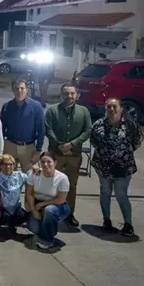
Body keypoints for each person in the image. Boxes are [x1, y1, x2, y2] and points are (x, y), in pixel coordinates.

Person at [90, 97, 143, 237]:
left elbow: (137, 141)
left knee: (121, 193)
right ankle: (106, 220)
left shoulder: (130, 125)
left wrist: (122, 154)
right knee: (105, 191)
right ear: (105, 109)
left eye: (115, 107)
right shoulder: (98, 124)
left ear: (121, 109)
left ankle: (128, 224)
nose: (112, 110)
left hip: (123, 168)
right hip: (103, 167)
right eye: (109, 107)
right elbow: (93, 141)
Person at [44, 82, 92, 227]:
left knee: (71, 186)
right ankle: (51, 212)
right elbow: (48, 129)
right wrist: (59, 144)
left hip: (74, 155)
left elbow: (88, 130)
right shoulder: (52, 110)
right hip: (56, 154)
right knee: (52, 184)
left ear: (76, 95)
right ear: (61, 94)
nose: (69, 96)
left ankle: (69, 213)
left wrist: (72, 144)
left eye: (72, 93)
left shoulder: (84, 111)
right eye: (66, 93)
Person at [25, 152, 71, 251]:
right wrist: (33, 211)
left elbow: (61, 199)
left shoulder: (62, 178)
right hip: (38, 204)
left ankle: (47, 241)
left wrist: (43, 204)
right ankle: (49, 227)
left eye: (49, 162)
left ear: (55, 162)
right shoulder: (34, 174)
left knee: (49, 211)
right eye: (43, 162)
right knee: (34, 228)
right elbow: (29, 193)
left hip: (58, 206)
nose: (46, 164)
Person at [0, 78, 45, 172]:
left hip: (28, 147)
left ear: (26, 90)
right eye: (16, 88)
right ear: (13, 90)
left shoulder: (36, 106)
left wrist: (38, 149)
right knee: (8, 175)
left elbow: (41, 129)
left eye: (22, 88)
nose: (19, 91)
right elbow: (2, 128)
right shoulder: (7, 106)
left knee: (30, 177)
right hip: (10, 145)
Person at [0, 154, 32, 237]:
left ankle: (11, 226)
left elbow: (31, 176)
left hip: (15, 208)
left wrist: (36, 170)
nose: (8, 167)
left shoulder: (19, 176)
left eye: (10, 164)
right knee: (4, 216)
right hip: (1, 208)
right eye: (5, 164)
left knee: (24, 216)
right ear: (0, 165)